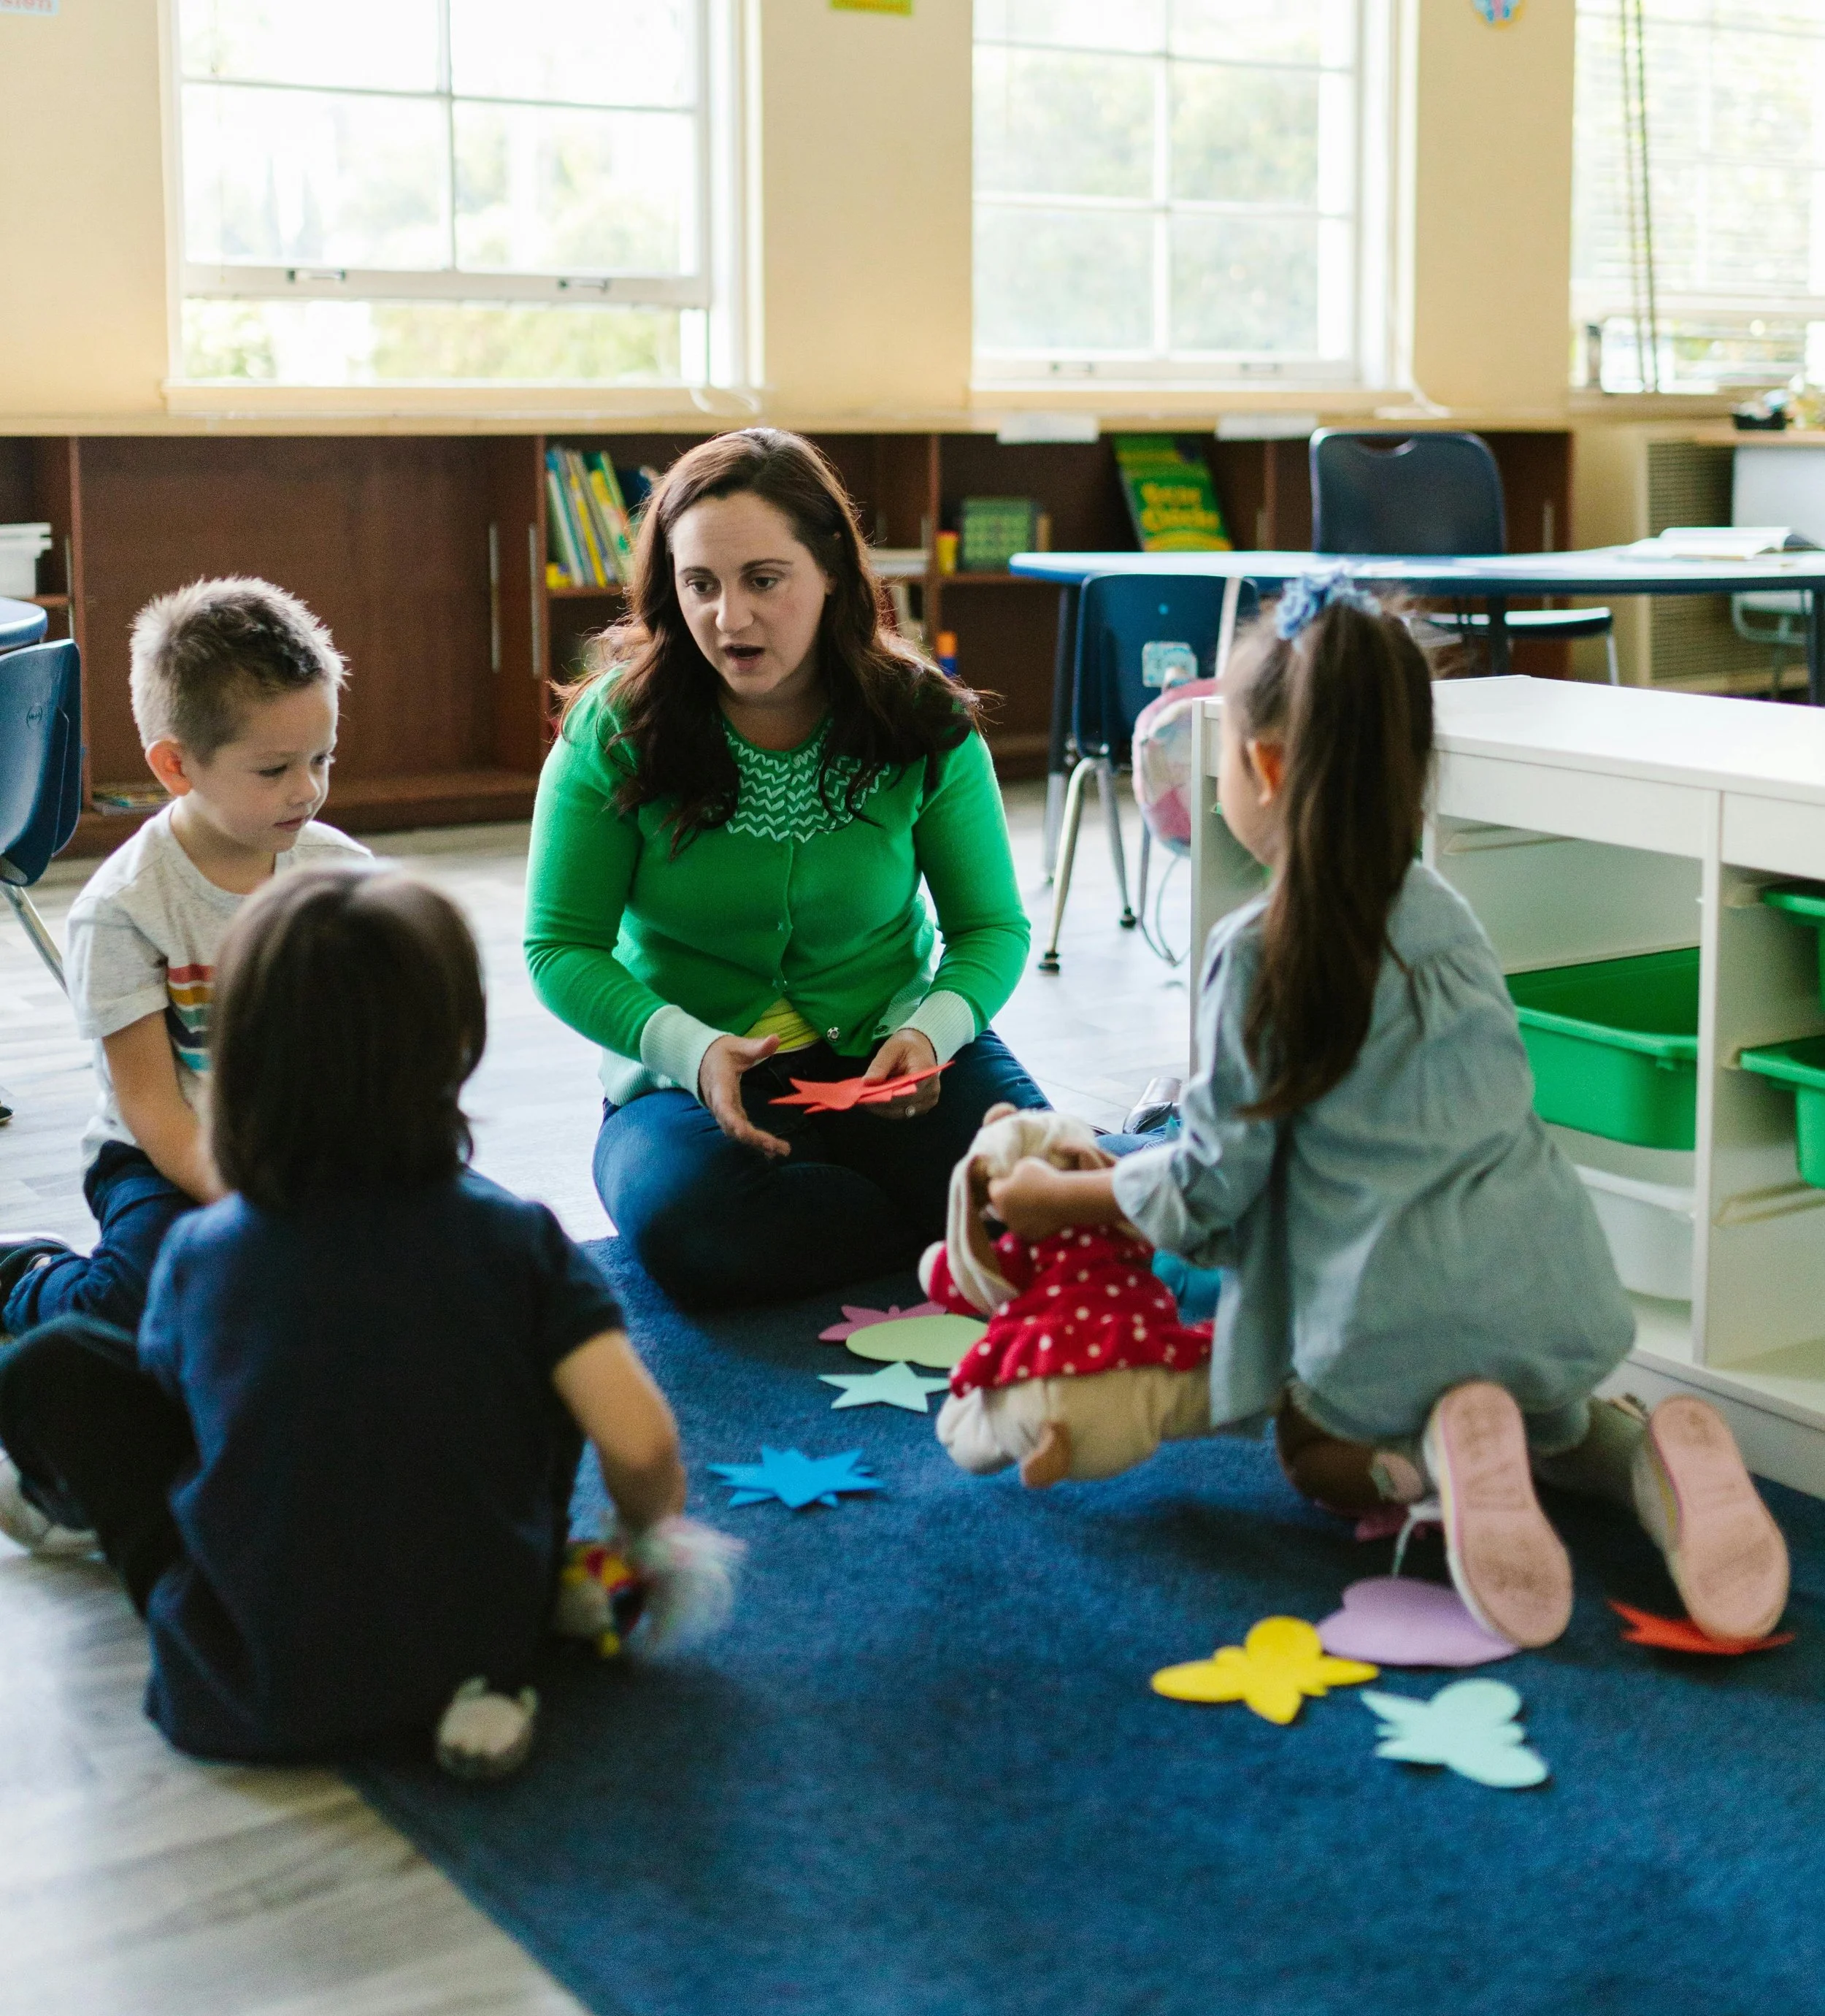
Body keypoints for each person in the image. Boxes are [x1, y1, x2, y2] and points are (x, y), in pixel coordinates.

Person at [983, 574, 1790, 1652]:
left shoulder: (1255, 954)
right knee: (1556, 1418)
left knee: (1304, 1443)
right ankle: (1643, 1462)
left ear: (1262, 768)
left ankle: (1430, 1460)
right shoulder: (1449, 915)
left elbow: (1207, 1195)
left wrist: (1057, 1198)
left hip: (1389, 1325)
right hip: (1556, 1291)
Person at [0, 865, 702, 1767]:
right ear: (459, 1045)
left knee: (54, 1362)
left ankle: (65, 1510)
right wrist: (640, 1542)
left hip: (247, 1681)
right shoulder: (517, 1240)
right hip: (489, 1635)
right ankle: (479, 1683)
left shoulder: (205, 1250)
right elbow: (641, 1443)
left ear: (241, 1061)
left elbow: (193, 1421)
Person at [524, 428, 1042, 1308]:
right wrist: (687, 1050)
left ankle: (895, 1198)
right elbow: (559, 947)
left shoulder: (920, 718)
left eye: (764, 580)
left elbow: (991, 928)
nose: (730, 618)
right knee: (694, 1232)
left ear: (831, 571)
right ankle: (925, 1214)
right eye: (700, 585)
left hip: (896, 1055)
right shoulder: (615, 725)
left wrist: (931, 1033)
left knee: (1037, 1201)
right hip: (685, 1085)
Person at [0, 578, 368, 1344]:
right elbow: (152, 1109)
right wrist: (252, 1208)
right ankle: (28, 1279)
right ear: (175, 767)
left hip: (309, 1145)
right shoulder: (125, 909)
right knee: (140, 1305)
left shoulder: (345, 875)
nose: (309, 790)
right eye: (274, 770)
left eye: (322, 757)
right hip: (162, 1157)